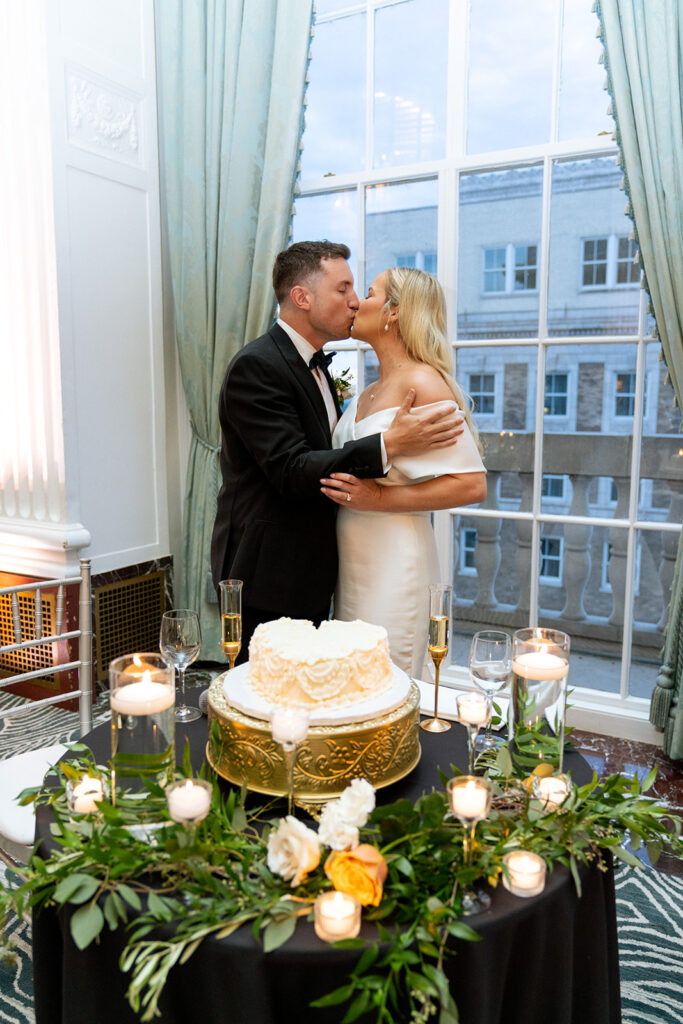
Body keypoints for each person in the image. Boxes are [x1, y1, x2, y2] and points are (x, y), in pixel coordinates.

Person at [210, 241, 465, 661]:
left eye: (360, 291)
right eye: (343, 288)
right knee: (269, 704)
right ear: (302, 298)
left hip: (321, 570)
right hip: (270, 574)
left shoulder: (317, 367)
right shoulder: (257, 366)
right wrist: (390, 444)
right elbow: (291, 469)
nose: (354, 302)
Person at [321, 267, 486, 678]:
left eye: (370, 293)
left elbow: (471, 483)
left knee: (385, 679)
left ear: (394, 312)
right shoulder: (369, 390)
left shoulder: (423, 382)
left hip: (396, 561)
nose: (357, 301)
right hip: (354, 559)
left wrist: (380, 498)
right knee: (352, 676)